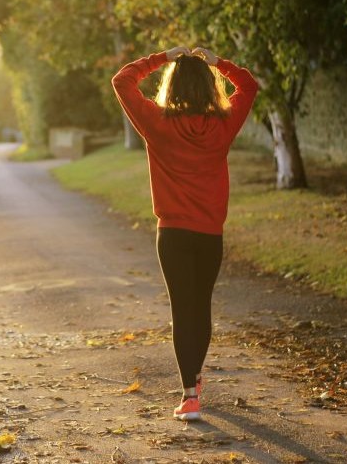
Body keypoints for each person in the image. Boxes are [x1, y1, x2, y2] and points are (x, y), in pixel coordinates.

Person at [111, 45, 259, 421]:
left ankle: (190, 395)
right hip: (209, 234)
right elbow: (249, 85)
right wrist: (219, 63)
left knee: (182, 310)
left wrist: (162, 57)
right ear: (210, 87)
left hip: (173, 234)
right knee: (201, 307)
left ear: (171, 86)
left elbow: (122, 80)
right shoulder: (223, 124)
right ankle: (194, 380)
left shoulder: (157, 122)